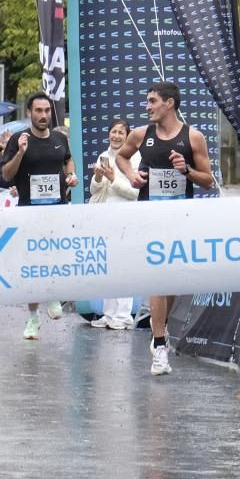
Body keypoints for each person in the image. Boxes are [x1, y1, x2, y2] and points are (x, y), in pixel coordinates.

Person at [117, 82, 214, 374]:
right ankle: (159, 345)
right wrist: (132, 174)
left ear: (169, 103)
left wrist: (186, 170)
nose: (147, 107)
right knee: (157, 278)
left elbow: (208, 180)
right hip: (150, 216)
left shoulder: (193, 137)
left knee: (172, 280)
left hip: (180, 217)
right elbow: (122, 156)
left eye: (152, 101)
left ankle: (162, 326)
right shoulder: (141, 134)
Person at [2, 93, 78, 340]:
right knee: (33, 265)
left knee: (55, 255)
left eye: (47, 110)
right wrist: (21, 153)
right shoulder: (18, 139)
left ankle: (53, 293)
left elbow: (68, 161)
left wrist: (71, 176)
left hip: (57, 209)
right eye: (38, 111)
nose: (43, 115)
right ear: (29, 113)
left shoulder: (59, 138)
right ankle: (33, 316)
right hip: (29, 212)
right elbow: (6, 174)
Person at [89, 119, 140, 330]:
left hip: (126, 218)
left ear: (127, 136)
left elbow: (134, 192)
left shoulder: (135, 158)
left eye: (121, 132)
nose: (116, 136)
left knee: (125, 266)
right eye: (113, 131)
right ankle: (109, 314)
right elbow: (95, 191)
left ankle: (123, 316)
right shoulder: (104, 155)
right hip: (104, 218)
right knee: (108, 266)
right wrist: (98, 178)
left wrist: (112, 179)